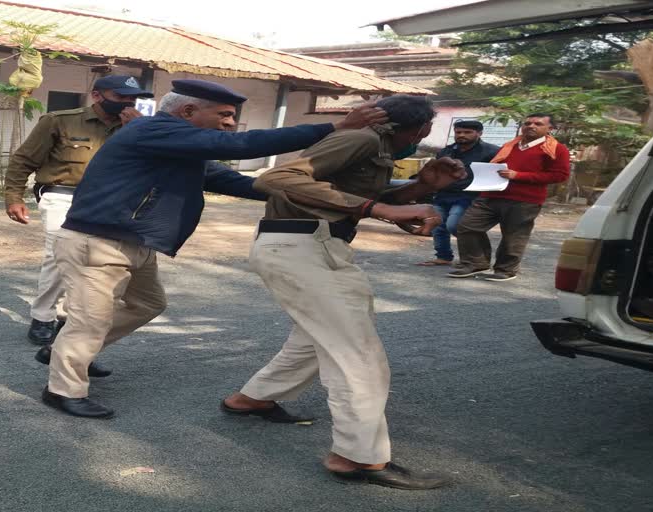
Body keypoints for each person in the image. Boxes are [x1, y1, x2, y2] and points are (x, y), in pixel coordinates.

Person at [37, 79, 389, 418]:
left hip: (131, 242)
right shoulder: (152, 131)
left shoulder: (177, 145)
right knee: (90, 321)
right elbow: (243, 146)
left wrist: (292, 188)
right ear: (189, 111)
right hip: (97, 243)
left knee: (148, 304)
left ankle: (66, 350)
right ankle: (64, 390)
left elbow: (226, 179)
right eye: (224, 116)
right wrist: (334, 127)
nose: (231, 124)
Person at [221, 95, 466, 490]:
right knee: (358, 353)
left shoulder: (376, 148)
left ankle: (252, 399)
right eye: (424, 133)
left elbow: (343, 196)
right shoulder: (364, 139)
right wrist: (381, 210)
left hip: (315, 247)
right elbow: (276, 180)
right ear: (413, 128)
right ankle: (356, 457)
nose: (423, 142)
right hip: (300, 248)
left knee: (316, 337)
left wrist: (420, 187)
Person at [4, 75, 153, 345]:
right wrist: (13, 196)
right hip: (61, 195)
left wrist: (139, 131)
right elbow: (24, 159)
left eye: (132, 98)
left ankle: (71, 319)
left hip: (110, 200)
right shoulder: (60, 120)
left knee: (96, 260)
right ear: (97, 96)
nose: (128, 103)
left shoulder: (136, 126)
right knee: (59, 254)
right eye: (120, 97)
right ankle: (43, 316)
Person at [448, 113, 570, 281]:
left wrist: (518, 175)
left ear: (550, 128)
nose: (531, 126)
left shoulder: (556, 149)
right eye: (527, 123)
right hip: (491, 194)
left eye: (538, 124)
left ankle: (506, 270)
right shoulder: (510, 145)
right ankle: (474, 263)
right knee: (467, 226)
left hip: (525, 199)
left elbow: (559, 176)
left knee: (513, 236)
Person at [416, 120, 499, 266]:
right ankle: (443, 256)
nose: (462, 135)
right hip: (443, 194)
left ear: (479, 133)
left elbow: (496, 175)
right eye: (458, 132)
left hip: (469, 196)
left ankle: (474, 258)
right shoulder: (447, 151)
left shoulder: (492, 152)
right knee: (438, 226)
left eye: (467, 132)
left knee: (455, 226)